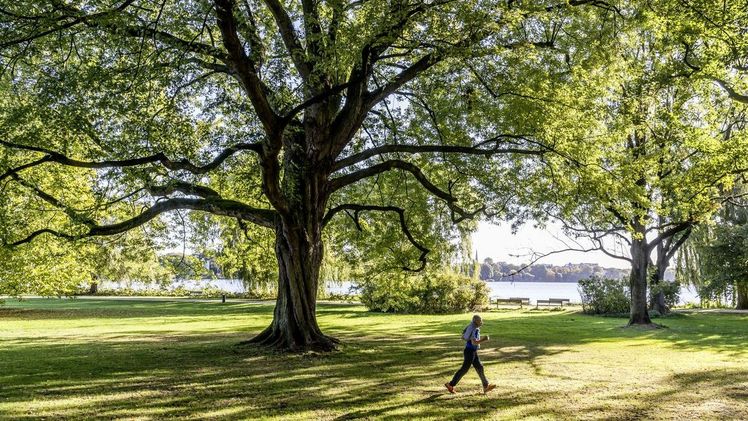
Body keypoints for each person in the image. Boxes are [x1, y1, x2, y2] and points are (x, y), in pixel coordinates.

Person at [445, 314, 496, 394]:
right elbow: (474, 342)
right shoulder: (475, 329)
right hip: (470, 352)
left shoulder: (470, 327)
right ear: (476, 321)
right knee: (464, 369)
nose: (482, 322)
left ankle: (486, 386)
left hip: (471, 351)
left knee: (479, 367)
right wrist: (484, 339)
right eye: (480, 320)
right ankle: (451, 384)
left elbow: (463, 336)